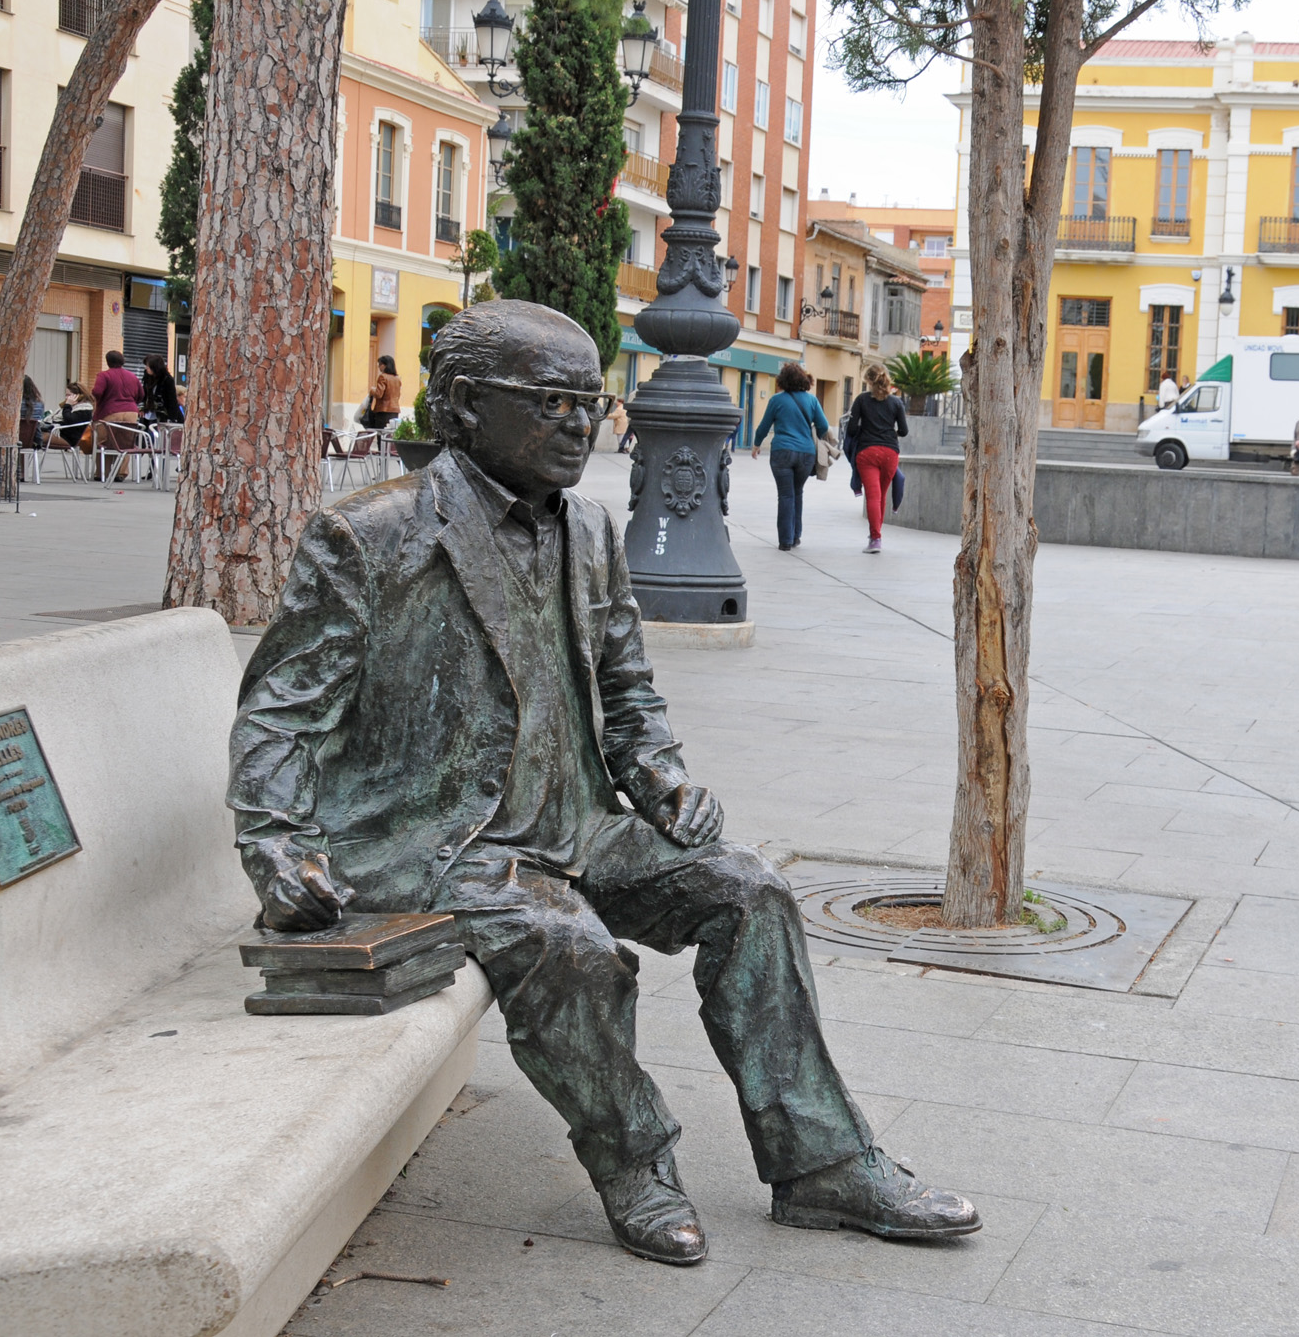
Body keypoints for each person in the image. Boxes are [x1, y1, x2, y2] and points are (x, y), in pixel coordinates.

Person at [229, 301, 975, 1267]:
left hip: (581, 822)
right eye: (550, 401)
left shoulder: (588, 528)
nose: (581, 423)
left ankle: (821, 1162)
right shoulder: (366, 538)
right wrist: (278, 846)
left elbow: (627, 690)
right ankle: (636, 1162)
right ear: (461, 406)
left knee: (751, 890)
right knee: (566, 943)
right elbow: (281, 712)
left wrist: (661, 780)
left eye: (592, 401)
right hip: (449, 844)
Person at [752, 362, 830, 551]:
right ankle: (796, 536)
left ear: (782, 380)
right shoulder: (812, 401)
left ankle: (785, 540)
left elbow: (764, 426)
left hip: (782, 453)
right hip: (806, 454)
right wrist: (813, 436)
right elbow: (824, 426)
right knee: (797, 492)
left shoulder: (776, 400)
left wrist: (756, 444)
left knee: (785, 495)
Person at [845, 364, 908, 554]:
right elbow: (904, 431)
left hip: (868, 452)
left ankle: (875, 538)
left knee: (872, 496)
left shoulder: (862, 400)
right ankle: (876, 536)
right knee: (881, 495)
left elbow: (851, 429)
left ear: (869, 381)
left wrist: (865, 428)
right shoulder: (896, 403)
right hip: (890, 453)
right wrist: (890, 432)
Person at [91, 351, 143, 429]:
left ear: (108, 361)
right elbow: (141, 394)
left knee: (106, 439)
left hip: (110, 411)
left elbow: (97, 392)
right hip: (131, 412)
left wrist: (97, 402)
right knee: (127, 440)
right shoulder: (132, 376)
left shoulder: (104, 375)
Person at [142, 354, 185, 424]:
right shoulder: (148, 379)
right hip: (150, 413)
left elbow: (172, 400)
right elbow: (145, 395)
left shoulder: (167, 380)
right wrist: (143, 408)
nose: (146, 368)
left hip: (164, 414)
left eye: (148, 366)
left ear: (154, 367)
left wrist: (172, 417)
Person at [362, 353, 401, 430]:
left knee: (381, 433)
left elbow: (379, 394)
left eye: (379, 364)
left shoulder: (383, 377)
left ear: (384, 365)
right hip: (395, 411)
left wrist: (372, 390)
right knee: (390, 434)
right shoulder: (397, 379)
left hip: (383, 410)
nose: (379, 367)